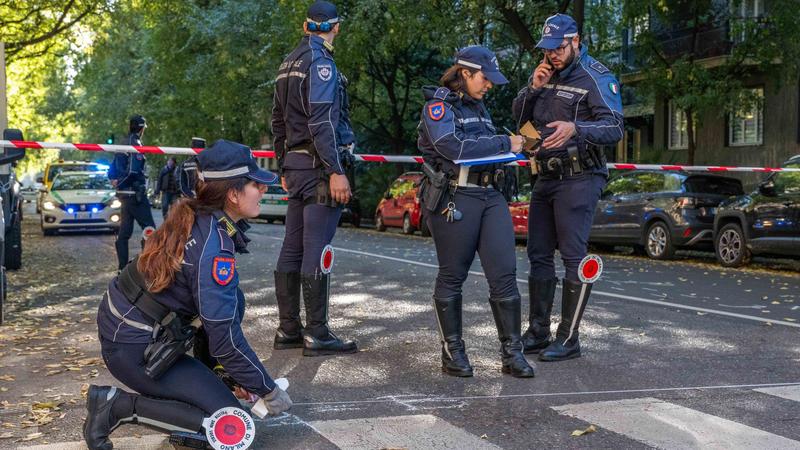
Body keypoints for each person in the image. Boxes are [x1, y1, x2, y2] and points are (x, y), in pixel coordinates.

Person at [84, 140, 292, 450]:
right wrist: (266, 388)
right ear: (233, 194)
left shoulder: (201, 216)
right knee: (231, 425)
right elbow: (223, 335)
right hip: (132, 347)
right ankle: (114, 406)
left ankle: (202, 394)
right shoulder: (213, 245)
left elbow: (215, 316)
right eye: (255, 184)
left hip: (136, 333)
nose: (263, 189)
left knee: (233, 299)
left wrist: (232, 377)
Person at [417, 45, 534, 378]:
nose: (489, 85)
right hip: (456, 196)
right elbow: (453, 148)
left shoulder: (480, 107)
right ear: (464, 72)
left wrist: (515, 149)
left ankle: (512, 354)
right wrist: (504, 144)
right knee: (453, 276)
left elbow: (487, 147)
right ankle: (452, 352)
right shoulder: (438, 107)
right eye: (485, 78)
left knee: (504, 274)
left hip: (490, 195)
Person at [511, 14, 623, 361]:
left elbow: (615, 127)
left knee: (573, 256)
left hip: (580, 177)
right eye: (548, 50)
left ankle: (569, 337)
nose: (553, 56)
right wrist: (532, 89)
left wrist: (576, 128)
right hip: (544, 175)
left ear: (575, 41)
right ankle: (539, 332)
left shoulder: (596, 77)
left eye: (559, 48)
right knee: (538, 253)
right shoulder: (545, 74)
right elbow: (519, 120)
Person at [270, 0, 357, 356]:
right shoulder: (321, 64)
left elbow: (277, 121)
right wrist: (336, 170)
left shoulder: (287, 63)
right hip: (320, 169)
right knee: (315, 248)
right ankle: (317, 333)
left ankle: (289, 330)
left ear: (307, 26)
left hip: (296, 167)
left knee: (292, 247)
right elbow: (322, 122)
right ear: (334, 27)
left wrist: (283, 166)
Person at [107, 115, 157, 271]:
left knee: (124, 233)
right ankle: (147, 266)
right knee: (150, 230)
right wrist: (121, 182)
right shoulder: (134, 143)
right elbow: (133, 171)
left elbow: (112, 167)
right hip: (134, 194)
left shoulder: (122, 142)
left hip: (124, 195)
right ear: (141, 129)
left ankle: (122, 268)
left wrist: (114, 180)